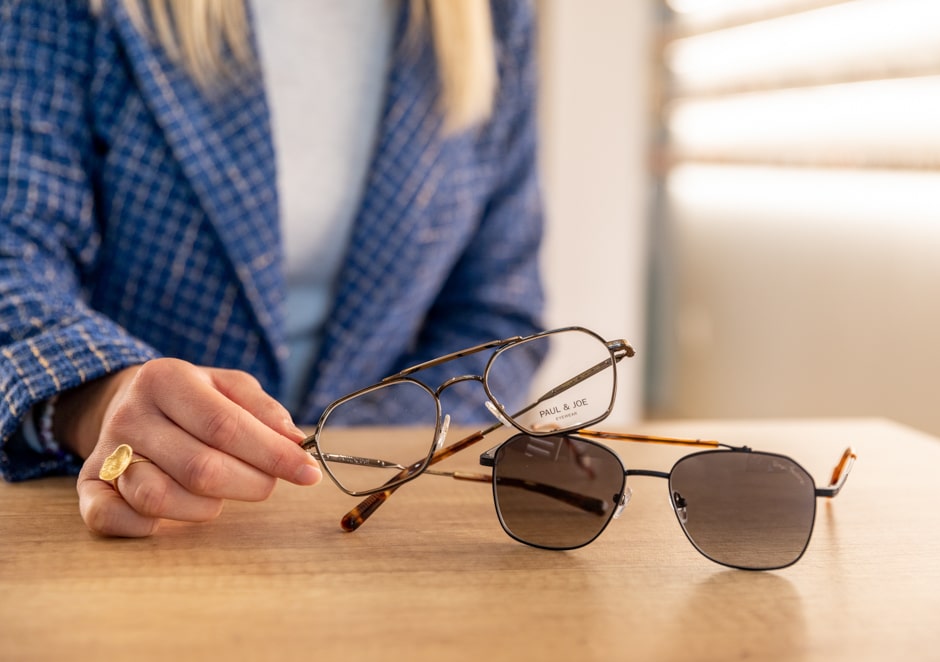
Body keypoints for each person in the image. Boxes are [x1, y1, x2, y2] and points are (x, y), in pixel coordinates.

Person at [0, 0, 546, 537]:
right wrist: (98, 396)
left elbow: (497, 315)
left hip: (376, 532)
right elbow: (15, 259)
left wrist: (354, 448)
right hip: (137, 524)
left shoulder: (495, 17)